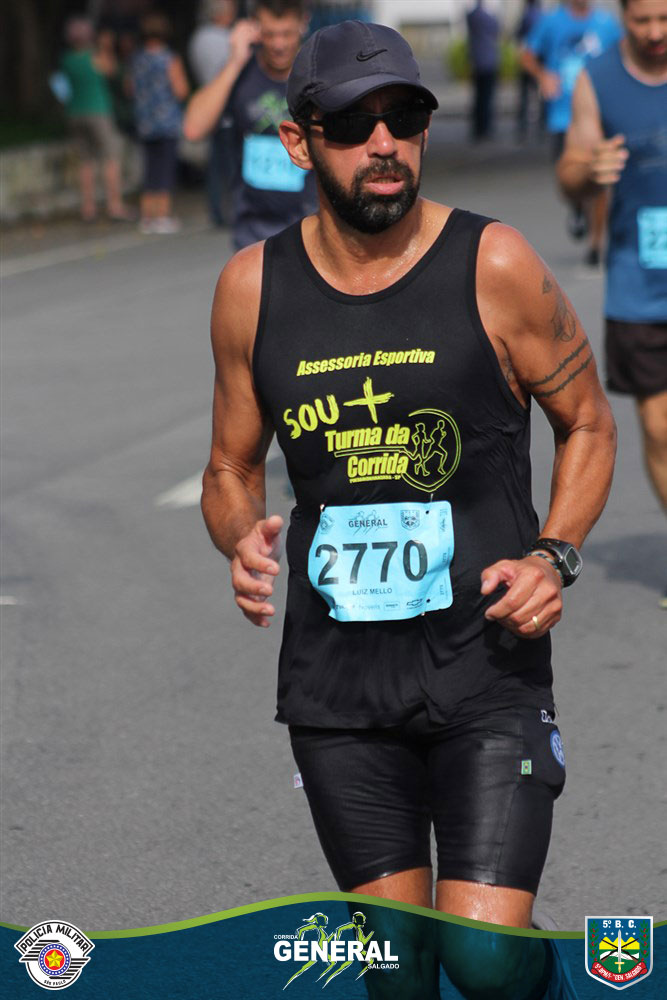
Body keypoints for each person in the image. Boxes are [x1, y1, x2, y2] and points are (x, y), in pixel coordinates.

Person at [201, 19, 616, 998]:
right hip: (338, 684)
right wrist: (240, 534)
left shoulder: (494, 263)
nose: (383, 142)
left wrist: (553, 554)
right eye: (353, 123)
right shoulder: (251, 289)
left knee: (481, 957)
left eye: (404, 117)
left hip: (485, 668)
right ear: (298, 141)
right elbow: (228, 466)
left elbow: (590, 424)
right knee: (395, 971)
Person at [556, 0, 667, 606]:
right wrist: (588, 171)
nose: (654, 32)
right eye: (642, 19)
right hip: (638, 284)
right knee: (659, 427)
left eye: (665, 19)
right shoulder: (596, 80)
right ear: (622, 16)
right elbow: (570, 173)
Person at [183, 0, 317, 249]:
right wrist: (234, 61)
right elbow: (193, 129)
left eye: (286, 34)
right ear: (254, 28)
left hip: (312, 225)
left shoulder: (317, 72)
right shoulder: (242, 71)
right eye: (270, 34)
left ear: (303, 24)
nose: (278, 44)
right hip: (253, 231)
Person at [521, 0, 621, 265]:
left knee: (600, 178)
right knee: (570, 178)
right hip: (562, 118)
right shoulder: (551, 21)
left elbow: (624, 56)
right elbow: (527, 55)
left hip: (599, 115)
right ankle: (577, 206)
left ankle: (596, 243)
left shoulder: (606, 24)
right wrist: (543, 76)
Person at [59, 17, 131, 222]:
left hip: (74, 112)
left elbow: (61, 86)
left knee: (85, 161)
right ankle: (114, 205)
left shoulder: (66, 59)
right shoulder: (95, 56)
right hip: (98, 111)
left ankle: (88, 208)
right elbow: (112, 71)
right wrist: (106, 47)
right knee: (111, 158)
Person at [132, 12, 189, 234]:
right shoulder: (169, 58)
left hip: (145, 121)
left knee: (149, 169)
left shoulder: (137, 59)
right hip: (166, 121)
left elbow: (130, 88)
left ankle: (147, 216)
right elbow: (181, 90)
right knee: (165, 169)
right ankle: (163, 215)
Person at [188, 0, 238, 227]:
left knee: (215, 163)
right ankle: (230, 209)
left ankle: (216, 209)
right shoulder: (226, 39)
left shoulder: (197, 38)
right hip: (225, 105)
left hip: (207, 99)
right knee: (230, 163)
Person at [465, 0, 501, 141]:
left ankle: (478, 128)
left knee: (479, 98)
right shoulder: (487, 17)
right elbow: (496, 29)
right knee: (486, 98)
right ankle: (485, 128)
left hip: (477, 61)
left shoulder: (472, 16)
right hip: (488, 62)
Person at [516, 0, 543, 141]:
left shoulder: (526, 15)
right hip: (538, 60)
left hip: (528, 60)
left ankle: (522, 127)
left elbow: (518, 34)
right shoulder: (540, 15)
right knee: (540, 96)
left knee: (525, 96)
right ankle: (542, 127)